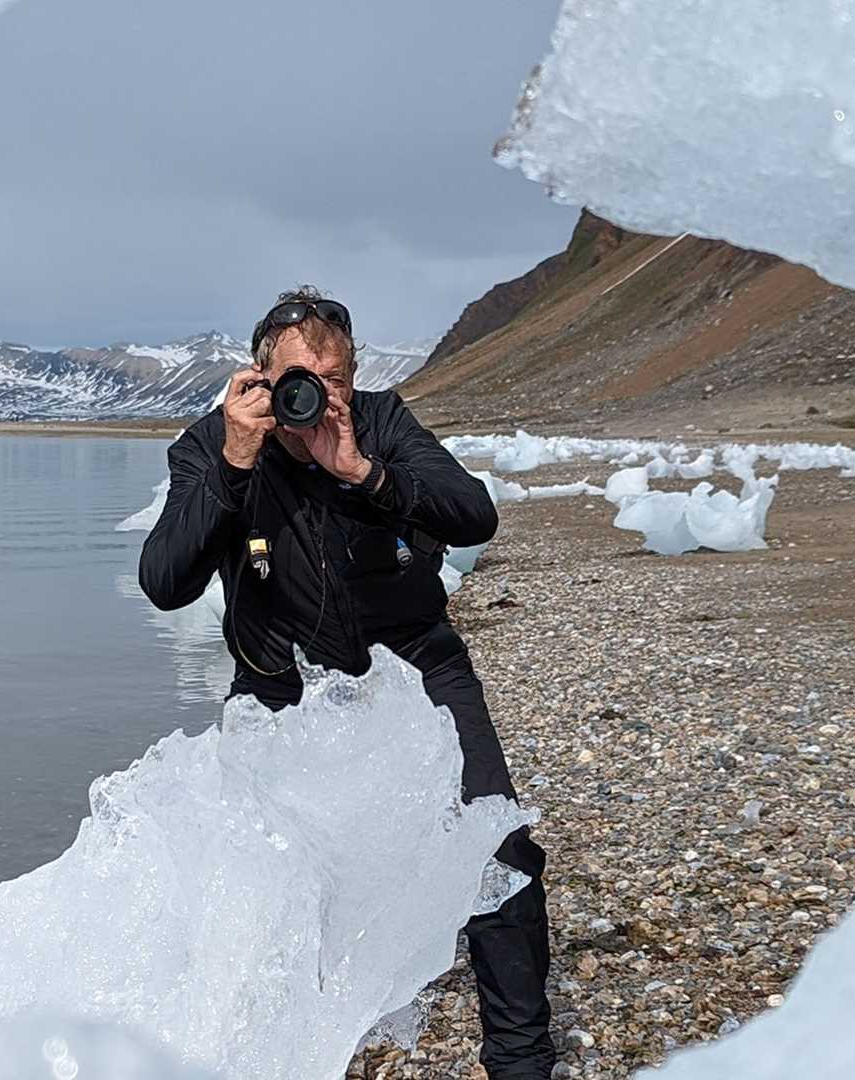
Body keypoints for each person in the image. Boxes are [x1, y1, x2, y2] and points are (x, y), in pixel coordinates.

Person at [138, 287, 556, 1079]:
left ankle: (522, 1059)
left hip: (417, 672)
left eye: (334, 378)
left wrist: (364, 472)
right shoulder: (213, 445)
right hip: (279, 693)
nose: (317, 397)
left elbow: (474, 515)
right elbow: (164, 580)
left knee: (495, 847)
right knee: (265, 886)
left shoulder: (382, 424)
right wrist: (233, 462)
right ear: (259, 377)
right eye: (298, 379)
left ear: (352, 373)